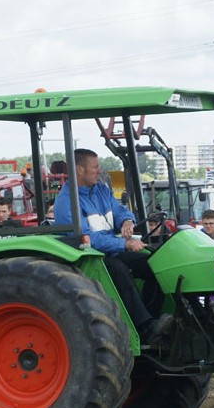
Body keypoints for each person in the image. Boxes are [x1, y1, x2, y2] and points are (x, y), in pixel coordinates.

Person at [53, 148, 174, 346]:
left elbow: (119, 211)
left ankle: (156, 319)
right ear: (79, 170)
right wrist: (124, 243)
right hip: (92, 257)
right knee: (117, 269)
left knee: (155, 263)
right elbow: (87, 239)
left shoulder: (101, 190)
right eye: (95, 167)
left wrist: (126, 221)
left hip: (113, 250)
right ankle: (145, 327)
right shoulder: (67, 203)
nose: (99, 171)